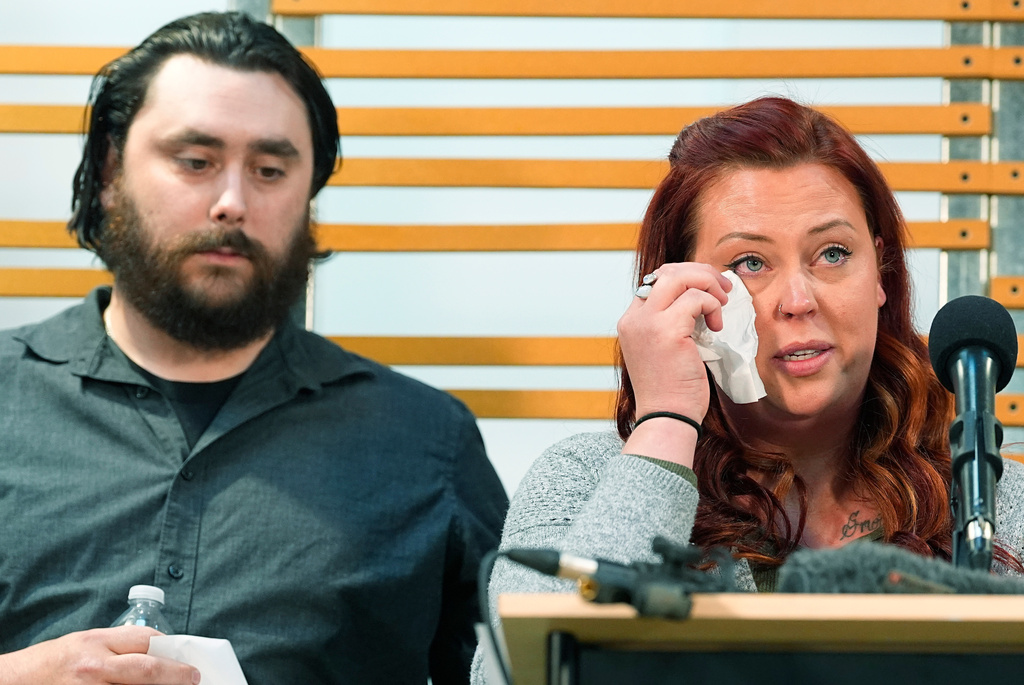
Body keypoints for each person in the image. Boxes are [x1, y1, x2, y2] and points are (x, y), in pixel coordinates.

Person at [0, 11, 508, 685]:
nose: (232, 202)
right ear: (108, 171)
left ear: (309, 196)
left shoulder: (425, 442)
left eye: (270, 169)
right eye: (195, 162)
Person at [470, 96, 1024, 682]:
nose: (799, 301)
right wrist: (665, 423)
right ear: (682, 290)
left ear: (881, 275)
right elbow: (512, 676)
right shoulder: (588, 480)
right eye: (751, 264)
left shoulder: (991, 497)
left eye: (832, 254)